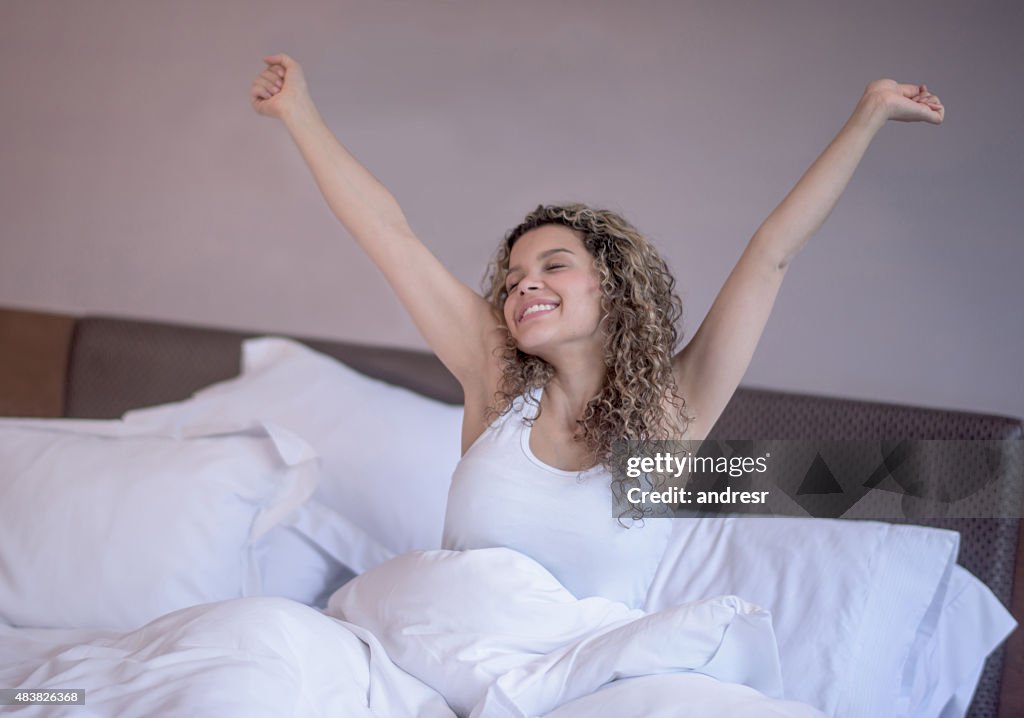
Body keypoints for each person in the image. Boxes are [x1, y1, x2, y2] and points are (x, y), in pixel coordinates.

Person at [249, 53, 943, 605]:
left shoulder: (668, 417)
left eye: (553, 265)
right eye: (515, 275)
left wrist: (869, 113)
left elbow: (772, 253)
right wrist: (297, 112)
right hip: (443, 654)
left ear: (612, 290)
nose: (524, 283)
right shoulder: (497, 383)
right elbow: (386, 231)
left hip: (580, 680)